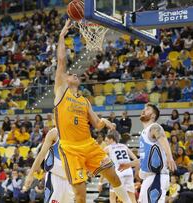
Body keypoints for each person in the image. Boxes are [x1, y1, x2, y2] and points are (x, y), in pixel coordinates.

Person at [54, 19, 131, 203]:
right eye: (71, 74)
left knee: (113, 175)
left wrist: (106, 122)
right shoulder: (61, 91)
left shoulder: (84, 101)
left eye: (76, 74)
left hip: (89, 144)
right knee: (80, 196)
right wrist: (61, 36)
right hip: (71, 148)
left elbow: (96, 124)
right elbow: (61, 61)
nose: (74, 75)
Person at [119, 103, 177, 203]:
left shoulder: (154, 127)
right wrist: (129, 164)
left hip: (156, 176)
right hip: (148, 178)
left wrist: (170, 157)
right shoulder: (144, 133)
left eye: (147, 109)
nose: (143, 111)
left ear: (153, 115)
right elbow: (143, 159)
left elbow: (163, 138)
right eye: (144, 109)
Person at [23, 128, 74, 203]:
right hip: (54, 177)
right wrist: (30, 174)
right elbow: (41, 155)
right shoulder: (54, 133)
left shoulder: (77, 134)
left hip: (70, 179)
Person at [100, 130, 139, 203]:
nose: (106, 142)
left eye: (107, 140)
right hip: (129, 172)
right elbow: (136, 160)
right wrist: (135, 171)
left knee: (112, 197)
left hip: (119, 173)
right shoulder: (124, 146)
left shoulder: (108, 148)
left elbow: (103, 164)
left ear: (111, 139)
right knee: (131, 197)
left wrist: (100, 182)